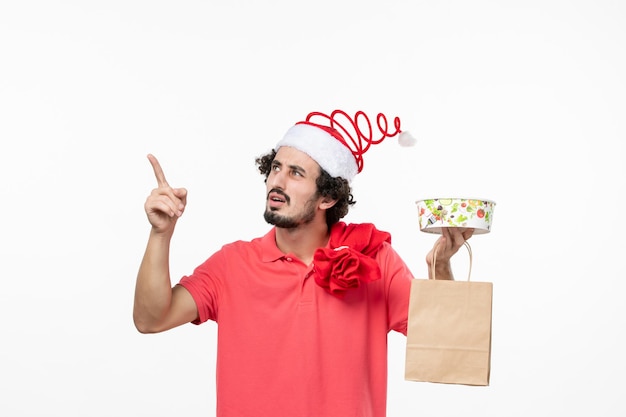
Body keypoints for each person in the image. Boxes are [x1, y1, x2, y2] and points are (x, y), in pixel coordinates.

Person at [134, 109, 474, 417]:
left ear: (328, 197)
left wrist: (441, 267)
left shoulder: (374, 259)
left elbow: (449, 346)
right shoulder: (232, 264)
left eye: (296, 173)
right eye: (275, 168)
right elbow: (152, 319)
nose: (277, 182)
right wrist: (161, 233)